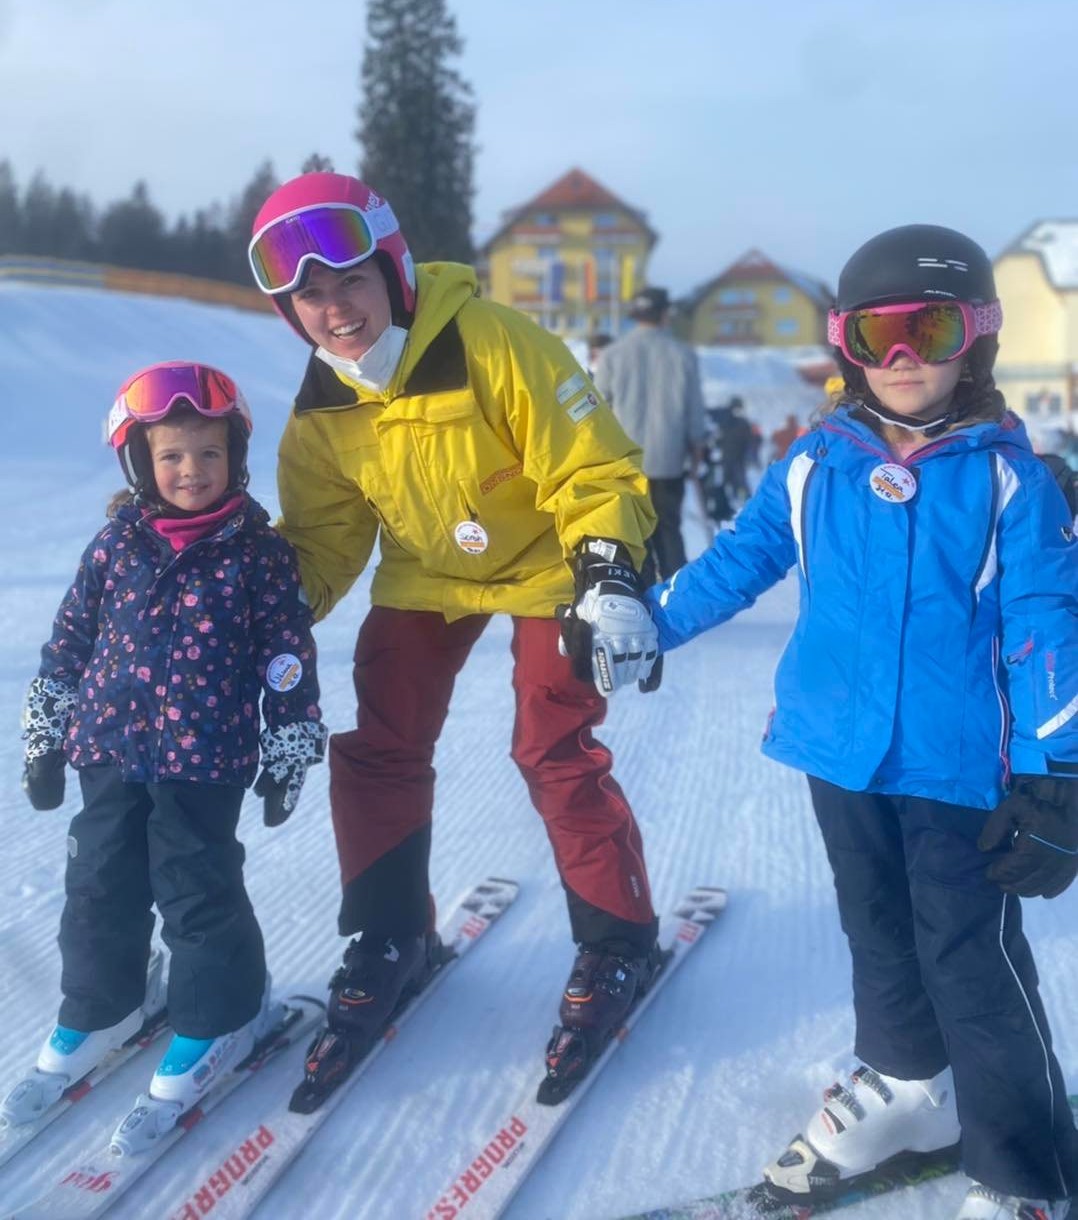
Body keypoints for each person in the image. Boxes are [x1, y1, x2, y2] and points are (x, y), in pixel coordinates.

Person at [637, 225, 1078, 1219]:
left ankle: (1021, 1166)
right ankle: (909, 1083)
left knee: (970, 957)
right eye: (876, 334)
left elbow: (1049, 625)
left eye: (929, 326)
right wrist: (651, 624)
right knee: (875, 930)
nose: (903, 355)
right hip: (840, 750)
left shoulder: (1010, 476)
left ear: (976, 336)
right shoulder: (817, 460)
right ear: (847, 344)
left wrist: (1058, 767)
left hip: (961, 765)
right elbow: (745, 555)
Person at [246, 172, 663, 1105]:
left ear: (390, 268)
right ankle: (392, 931)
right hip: (430, 575)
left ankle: (617, 940)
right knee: (382, 740)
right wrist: (251, 620)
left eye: (349, 280)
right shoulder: (325, 406)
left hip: (548, 561)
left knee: (550, 744)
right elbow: (322, 540)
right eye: (308, 295)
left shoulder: (494, 342)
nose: (333, 308)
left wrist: (605, 569)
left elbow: (596, 468)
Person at [8, 362, 326, 1140]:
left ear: (236, 457)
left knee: (196, 889)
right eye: (173, 456)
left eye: (209, 454)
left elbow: (287, 657)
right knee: (97, 886)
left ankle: (224, 1014)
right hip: (108, 749)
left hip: (203, 759)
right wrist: (47, 730)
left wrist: (288, 744)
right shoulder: (117, 542)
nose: (192, 471)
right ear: (141, 462)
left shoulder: (256, 551)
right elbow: (71, 641)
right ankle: (103, 1008)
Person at [594, 285, 707, 579]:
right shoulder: (683, 354)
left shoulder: (611, 355)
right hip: (668, 458)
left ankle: (640, 594)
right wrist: (697, 445)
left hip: (626, 461)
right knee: (668, 526)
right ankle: (676, 592)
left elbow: (599, 407)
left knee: (634, 532)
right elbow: (694, 407)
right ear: (664, 314)